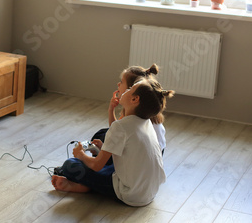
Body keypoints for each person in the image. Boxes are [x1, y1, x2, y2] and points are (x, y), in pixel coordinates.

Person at [51, 78, 174, 206]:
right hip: (150, 192)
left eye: (130, 89)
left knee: (70, 165)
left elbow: (97, 166)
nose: (125, 90)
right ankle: (86, 186)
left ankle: (86, 187)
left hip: (130, 194)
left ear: (134, 99)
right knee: (109, 164)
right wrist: (104, 148)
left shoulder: (121, 126)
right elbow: (129, 155)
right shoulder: (146, 122)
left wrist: (80, 154)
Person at [92, 64, 167, 156]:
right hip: (157, 152)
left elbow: (115, 130)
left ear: (132, 90)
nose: (118, 84)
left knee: (102, 136)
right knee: (105, 133)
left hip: (142, 155)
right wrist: (111, 109)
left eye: (122, 82)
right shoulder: (146, 107)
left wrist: (111, 110)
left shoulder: (136, 113)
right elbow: (117, 129)